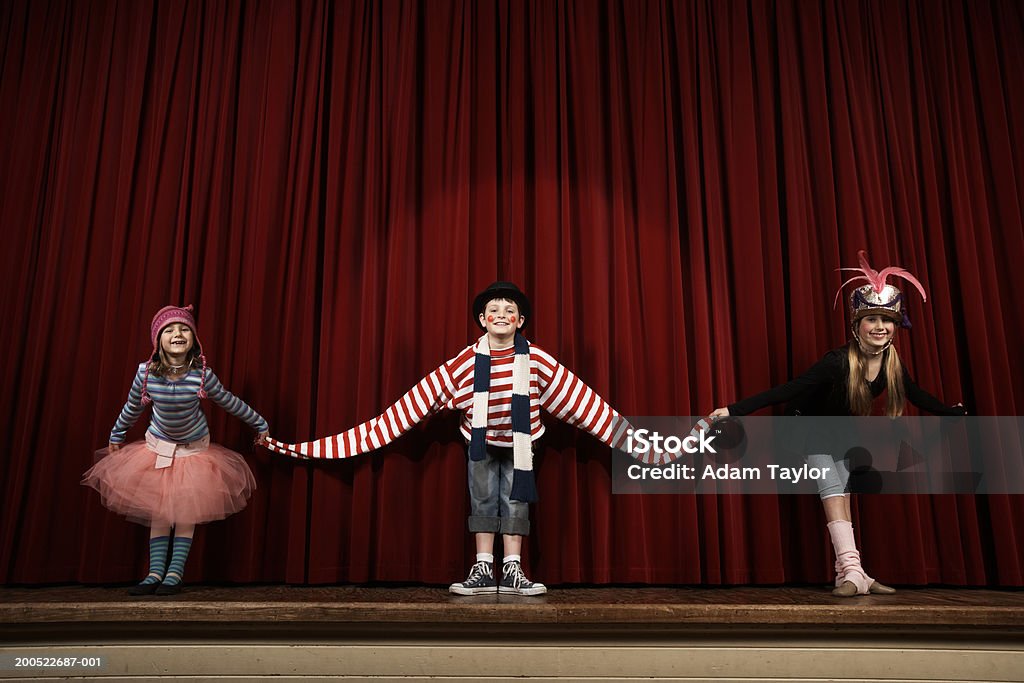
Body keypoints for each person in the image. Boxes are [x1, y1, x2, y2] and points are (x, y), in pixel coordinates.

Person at [264, 282, 630, 595]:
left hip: (522, 448)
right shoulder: (465, 362)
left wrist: (647, 446)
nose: (501, 314)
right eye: (493, 310)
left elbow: (582, 404)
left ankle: (514, 569)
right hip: (480, 446)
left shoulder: (537, 361)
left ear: (520, 321)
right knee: (483, 500)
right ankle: (484, 567)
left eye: (509, 310)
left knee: (516, 502)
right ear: (482, 320)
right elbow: (412, 406)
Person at [710, 252, 966, 596]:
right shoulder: (836, 362)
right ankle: (852, 570)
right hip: (807, 427)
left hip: (840, 431)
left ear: (896, 326)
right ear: (856, 325)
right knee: (832, 490)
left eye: (887, 320)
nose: (880, 326)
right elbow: (788, 390)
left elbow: (917, 395)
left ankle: (851, 573)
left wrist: (952, 413)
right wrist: (733, 409)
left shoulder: (891, 363)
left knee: (842, 494)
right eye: (871, 319)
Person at [83, 305, 269, 595]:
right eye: (169, 330)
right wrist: (116, 434)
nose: (177, 334)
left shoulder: (202, 375)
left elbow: (229, 401)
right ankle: (154, 572)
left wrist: (259, 423)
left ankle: (174, 573)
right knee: (159, 513)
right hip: (158, 447)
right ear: (158, 341)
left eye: (184, 329)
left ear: (194, 339)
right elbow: (132, 408)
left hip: (193, 451)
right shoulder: (145, 374)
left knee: (184, 513)